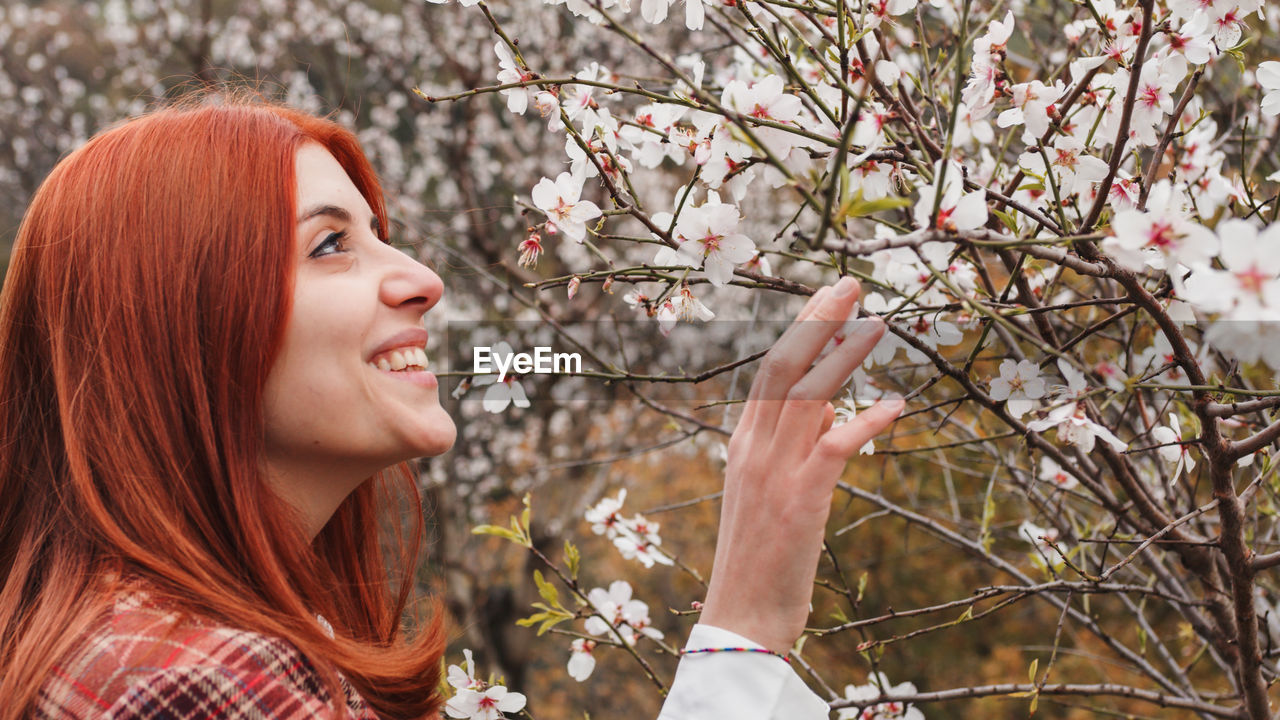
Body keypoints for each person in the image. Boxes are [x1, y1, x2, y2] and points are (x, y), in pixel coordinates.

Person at [0, 93, 903, 719]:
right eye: (329, 246)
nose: (423, 281)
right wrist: (742, 623)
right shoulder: (195, 682)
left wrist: (744, 627)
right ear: (179, 325)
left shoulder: (122, 641)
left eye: (380, 235)